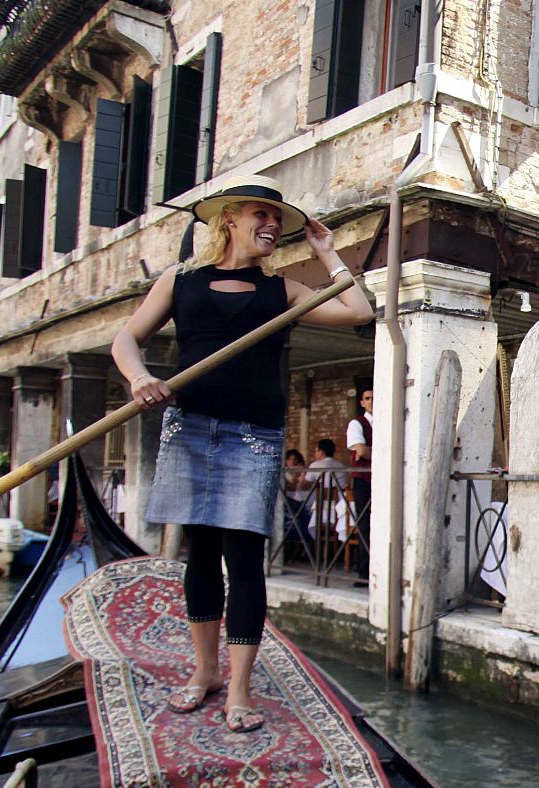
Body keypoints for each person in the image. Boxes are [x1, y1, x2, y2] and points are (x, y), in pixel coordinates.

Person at [112, 174, 373, 732]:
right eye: (260, 214)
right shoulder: (180, 280)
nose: (272, 225)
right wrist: (140, 379)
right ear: (228, 219)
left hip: (253, 436)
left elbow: (358, 311)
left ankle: (238, 689)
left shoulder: (283, 291)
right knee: (200, 554)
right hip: (190, 427)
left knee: (245, 561)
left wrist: (328, 253)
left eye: (277, 218)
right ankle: (204, 672)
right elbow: (125, 339)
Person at [346, 388, 373, 584]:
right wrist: (384, 449)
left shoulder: (387, 421)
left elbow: (365, 450)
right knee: (364, 525)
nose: (371, 401)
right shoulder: (357, 423)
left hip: (381, 479)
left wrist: (368, 451)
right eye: (367, 398)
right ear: (362, 402)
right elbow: (361, 450)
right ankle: (363, 572)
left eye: (374, 398)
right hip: (363, 481)